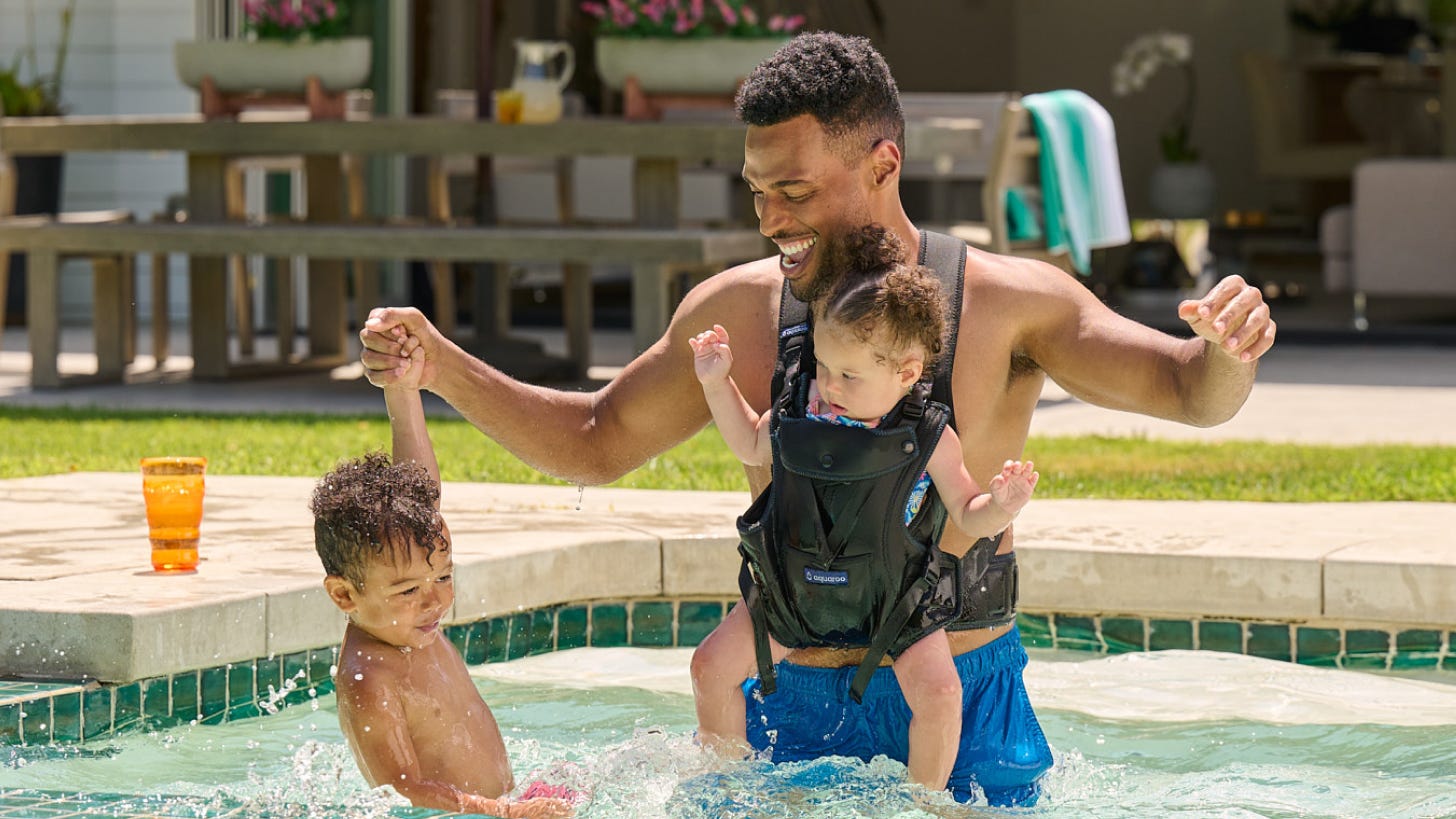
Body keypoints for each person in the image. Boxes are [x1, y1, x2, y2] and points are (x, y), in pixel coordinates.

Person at [358, 31, 1275, 806]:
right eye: (757, 192)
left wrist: (1228, 354)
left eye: (794, 192)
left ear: (883, 163)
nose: (771, 221)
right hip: (782, 698)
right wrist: (442, 366)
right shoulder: (746, 311)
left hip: (960, 695)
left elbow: (1189, 390)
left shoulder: (1008, 304)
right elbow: (596, 441)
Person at [687, 225, 1039, 794]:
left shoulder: (929, 437)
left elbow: (969, 516)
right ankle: (727, 784)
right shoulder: (803, 413)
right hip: (793, 597)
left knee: (942, 697)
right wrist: (715, 383)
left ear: (905, 371)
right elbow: (751, 443)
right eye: (823, 366)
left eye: (849, 374)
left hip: (892, 609)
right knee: (710, 668)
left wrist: (999, 504)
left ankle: (923, 803)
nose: (829, 384)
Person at [310, 329, 576, 819]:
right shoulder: (370, 677)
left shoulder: (405, 622)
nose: (434, 601)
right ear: (344, 595)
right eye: (409, 589)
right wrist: (506, 814)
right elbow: (402, 791)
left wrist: (402, 389)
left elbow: (421, 494)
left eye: (444, 577)